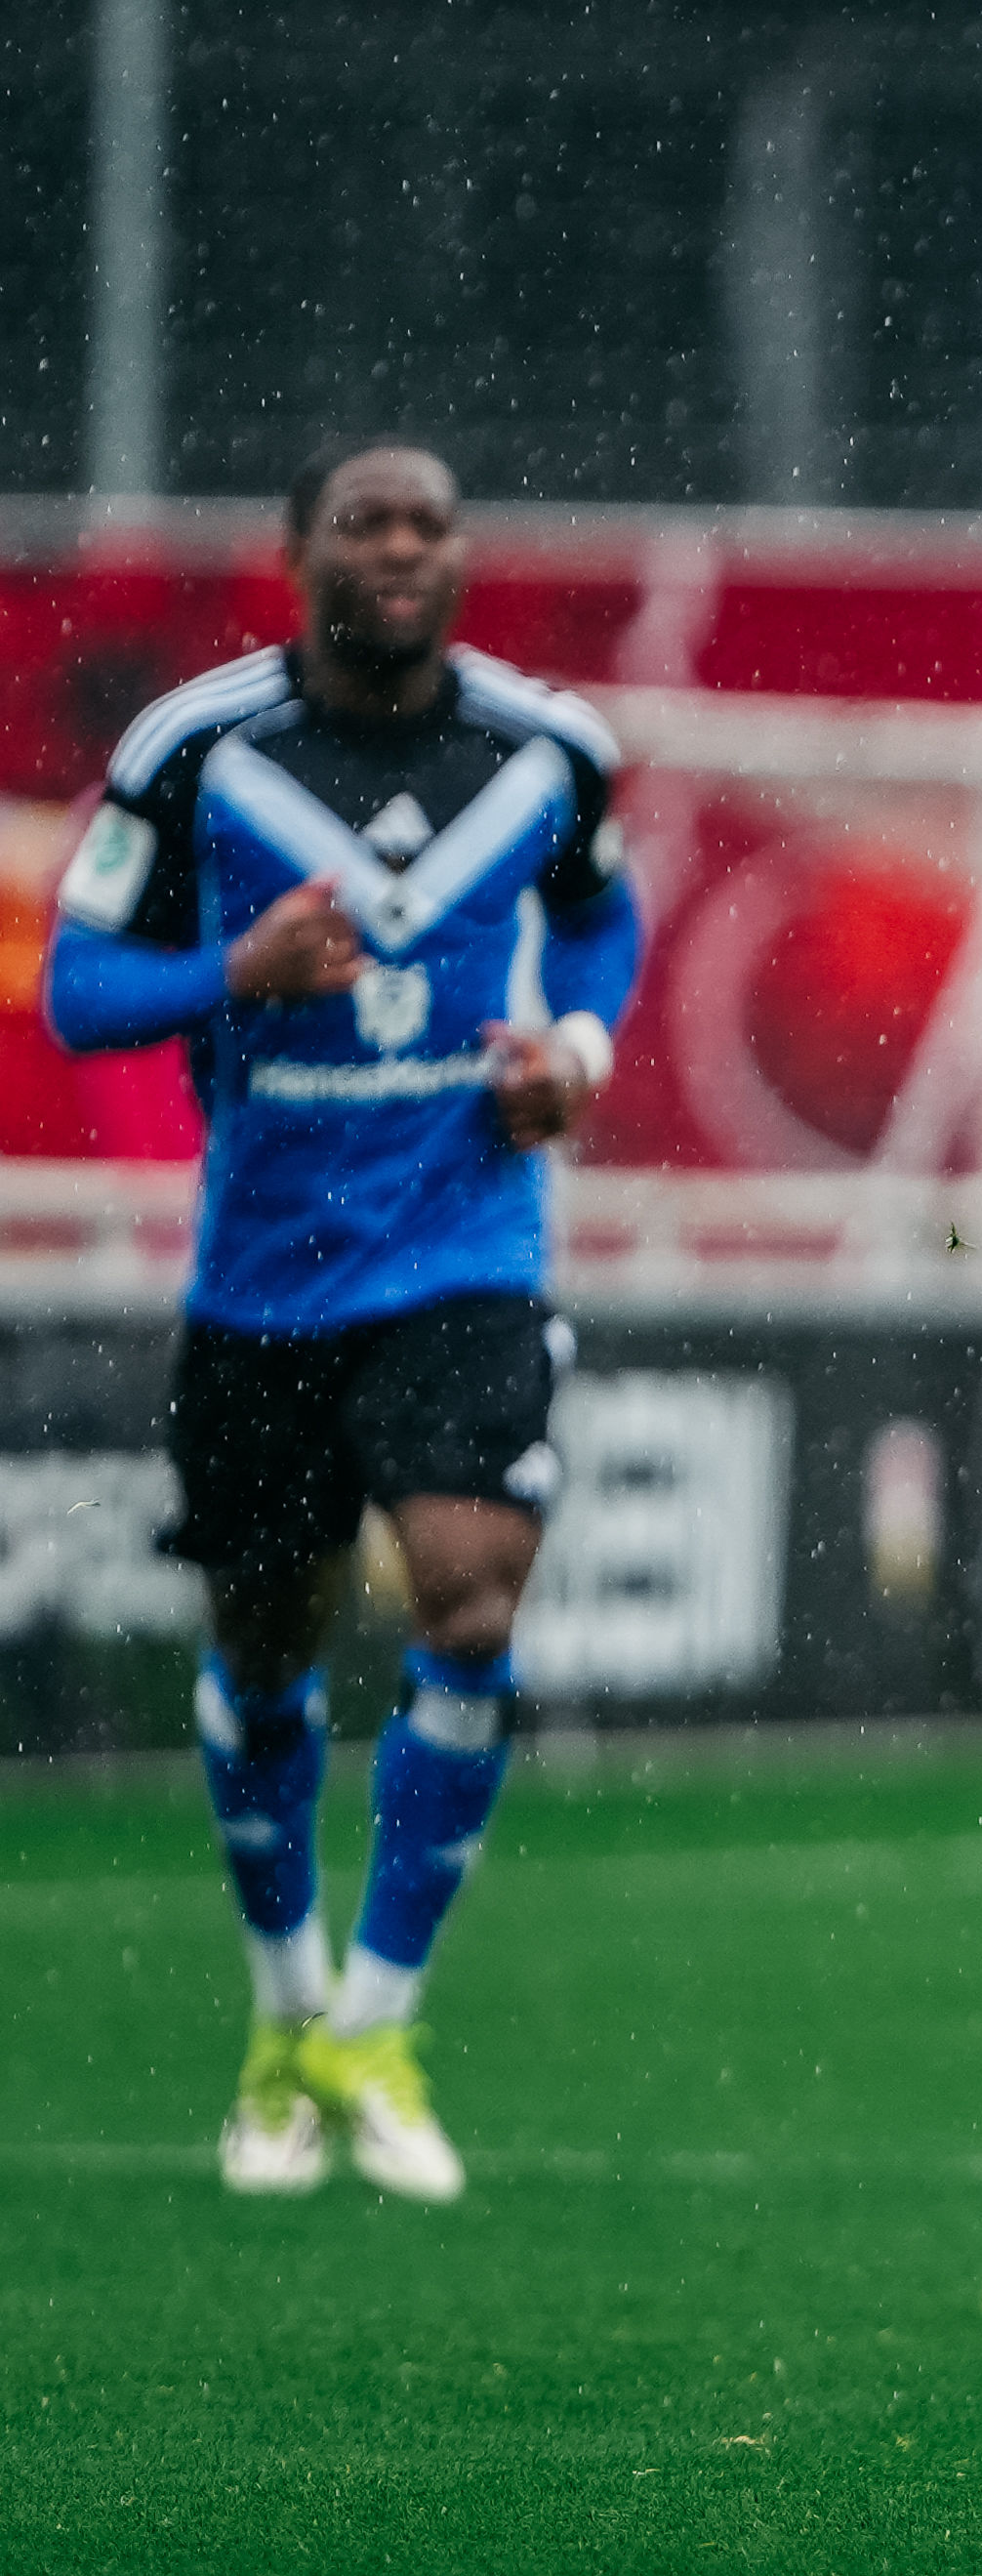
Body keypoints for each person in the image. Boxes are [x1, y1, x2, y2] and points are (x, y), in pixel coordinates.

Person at [40, 438, 640, 2208]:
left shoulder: (548, 748)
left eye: (429, 523)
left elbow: (598, 918)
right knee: (264, 1654)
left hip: (464, 1251)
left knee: (472, 1594)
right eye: (364, 522)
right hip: (263, 1283)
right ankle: (284, 2011)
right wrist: (235, 971)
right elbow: (77, 988)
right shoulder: (195, 748)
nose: (400, 548)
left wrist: (575, 1051)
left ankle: (377, 2023)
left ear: (462, 554)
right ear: (296, 551)